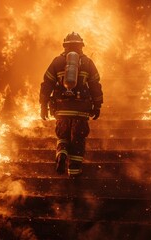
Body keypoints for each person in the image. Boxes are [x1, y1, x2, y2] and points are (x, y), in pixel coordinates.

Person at [39, 32, 103, 177]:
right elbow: (95, 85)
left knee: (62, 136)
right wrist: (97, 105)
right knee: (78, 140)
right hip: (81, 110)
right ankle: (74, 173)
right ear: (81, 46)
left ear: (64, 46)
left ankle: (61, 153)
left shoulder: (57, 62)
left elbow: (46, 84)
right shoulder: (87, 62)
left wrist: (43, 105)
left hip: (61, 109)